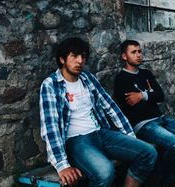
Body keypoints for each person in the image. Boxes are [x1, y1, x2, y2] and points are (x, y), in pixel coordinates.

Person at [39, 37, 157, 187]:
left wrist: (130, 137)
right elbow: (51, 127)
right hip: (76, 141)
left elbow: (110, 106)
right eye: (74, 56)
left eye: (83, 56)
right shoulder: (51, 85)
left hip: (101, 133)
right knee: (105, 172)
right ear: (62, 59)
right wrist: (62, 164)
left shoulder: (87, 78)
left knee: (148, 153)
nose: (80, 61)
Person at [113, 40, 175, 187]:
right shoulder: (121, 79)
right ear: (124, 56)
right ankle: (168, 178)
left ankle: (163, 172)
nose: (138, 55)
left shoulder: (146, 74)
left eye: (139, 51)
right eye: (133, 52)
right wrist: (149, 94)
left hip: (161, 118)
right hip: (143, 125)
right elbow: (133, 107)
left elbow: (160, 95)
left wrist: (141, 96)